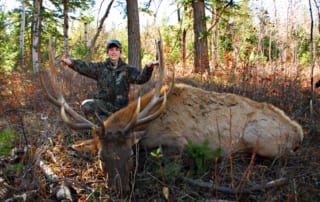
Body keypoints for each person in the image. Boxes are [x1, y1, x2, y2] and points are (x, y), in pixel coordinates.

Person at [61, 39, 158, 120]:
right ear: (107, 52)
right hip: (103, 105)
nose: (114, 52)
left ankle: (110, 123)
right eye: (111, 50)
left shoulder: (127, 70)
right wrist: (72, 63)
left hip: (121, 108)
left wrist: (148, 68)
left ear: (120, 52)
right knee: (86, 105)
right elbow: (86, 67)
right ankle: (101, 127)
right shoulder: (100, 68)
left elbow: (140, 78)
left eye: (116, 49)